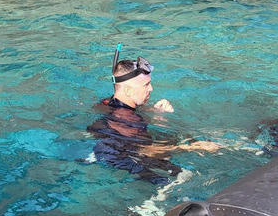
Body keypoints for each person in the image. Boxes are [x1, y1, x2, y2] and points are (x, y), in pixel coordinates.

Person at [87, 56, 218, 184]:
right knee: (183, 176)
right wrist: (193, 148)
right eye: (146, 85)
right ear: (128, 90)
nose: (151, 88)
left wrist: (153, 112)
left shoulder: (106, 102)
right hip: (120, 160)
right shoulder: (128, 122)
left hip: (106, 148)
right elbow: (147, 151)